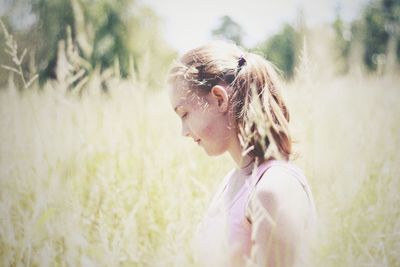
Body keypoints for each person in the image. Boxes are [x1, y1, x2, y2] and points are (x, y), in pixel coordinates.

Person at [167, 41, 317, 267]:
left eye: (184, 113)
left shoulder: (273, 190)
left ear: (219, 99)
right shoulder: (233, 181)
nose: (184, 132)